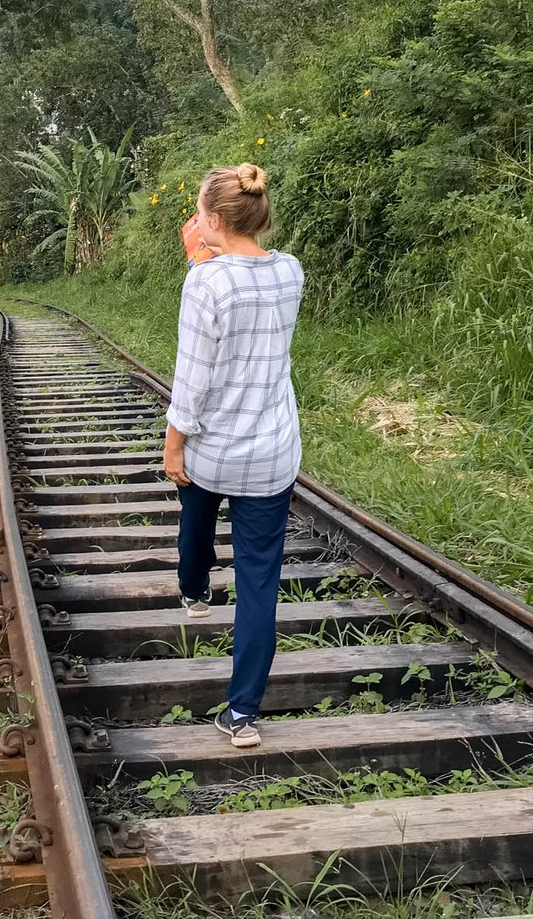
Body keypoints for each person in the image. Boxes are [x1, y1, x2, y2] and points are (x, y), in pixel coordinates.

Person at [162, 163, 304, 749]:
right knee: (259, 581)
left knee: (195, 517)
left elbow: (191, 379)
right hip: (271, 451)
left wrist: (174, 443)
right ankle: (243, 714)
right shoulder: (290, 272)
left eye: (199, 215)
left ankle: (194, 591)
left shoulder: (205, 283)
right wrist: (212, 250)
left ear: (212, 221)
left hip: (213, 447)